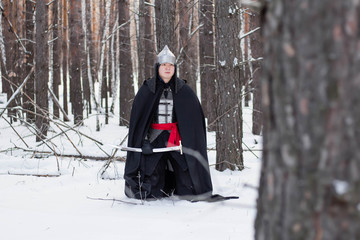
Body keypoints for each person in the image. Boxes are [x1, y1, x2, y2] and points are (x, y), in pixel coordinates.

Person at [123, 45, 213, 201]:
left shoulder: (184, 91)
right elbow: (139, 122)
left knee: (188, 188)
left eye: (170, 65)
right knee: (151, 189)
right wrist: (144, 142)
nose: (167, 68)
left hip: (176, 140)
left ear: (174, 68)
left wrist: (187, 141)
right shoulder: (146, 90)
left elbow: (193, 123)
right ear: (158, 67)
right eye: (164, 65)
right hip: (153, 140)